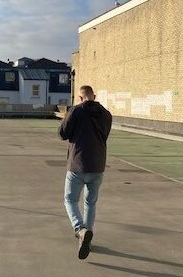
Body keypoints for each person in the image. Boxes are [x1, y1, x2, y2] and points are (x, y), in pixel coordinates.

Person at [58, 85, 112, 260]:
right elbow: (105, 135)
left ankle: (80, 229)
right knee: (90, 203)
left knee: (70, 200)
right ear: (93, 96)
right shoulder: (106, 114)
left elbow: (62, 133)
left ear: (80, 98)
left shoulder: (76, 111)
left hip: (78, 164)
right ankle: (86, 239)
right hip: (98, 165)